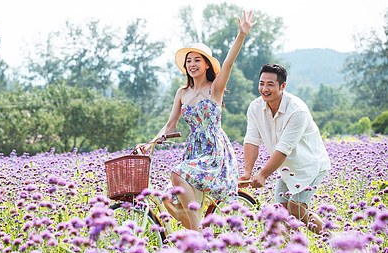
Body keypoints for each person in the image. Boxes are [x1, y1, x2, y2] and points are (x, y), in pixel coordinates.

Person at [137, 10, 256, 231]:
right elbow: (171, 123)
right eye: (189, 61)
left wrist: (241, 35)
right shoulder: (182, 92)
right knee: (167, 200)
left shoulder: (215, 89)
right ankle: (202, 234)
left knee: (176, 173)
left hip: (213, 151)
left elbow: (229, 63)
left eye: (197, 60)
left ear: (207, 65)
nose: (192, 65)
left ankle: (198, 236)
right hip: (194, 150)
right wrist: (152, 142)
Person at [238, 63, 331, 235]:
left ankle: (334, 241)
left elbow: (283, 149)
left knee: (296, 209)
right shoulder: (255, 107)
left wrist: (263, 175)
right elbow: (251, 141)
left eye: (270, 84)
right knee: (280, 212)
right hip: (286, 167)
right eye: (261, 83)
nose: (264, 88)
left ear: (283, 86)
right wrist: (248, 171)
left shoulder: (297, 111)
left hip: (309, 165)